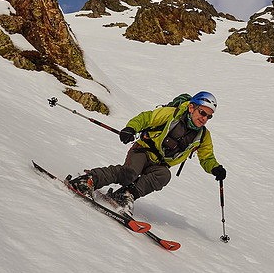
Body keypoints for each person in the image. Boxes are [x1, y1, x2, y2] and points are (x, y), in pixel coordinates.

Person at [69, 91, 226, 216]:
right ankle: (88, 180)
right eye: (202, 113)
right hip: (144, 150)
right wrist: (131, 128)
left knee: (164, 175)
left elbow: (207, 158)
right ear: (192, 107)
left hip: (159, 165)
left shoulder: (203, 136)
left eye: (209, 116)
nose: (205, 118)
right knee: (129, 173)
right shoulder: (172, 114)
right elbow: (146, 118)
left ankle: (125, 195)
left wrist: (215, 168)